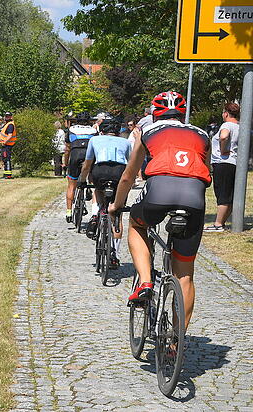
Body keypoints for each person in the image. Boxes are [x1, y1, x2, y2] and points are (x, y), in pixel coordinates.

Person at [109, 91, 211, 332]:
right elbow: (208, 173)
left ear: (155, 115)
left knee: (137, 224)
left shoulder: (148, 132)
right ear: (183, 114)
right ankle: (176, 340)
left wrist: (116, 205)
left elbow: (128, 176)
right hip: (194, 195)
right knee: (185, 274)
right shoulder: (203, 134)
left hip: (159, 189)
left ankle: (145, 283)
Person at [77, 116, 131, 267]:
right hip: (119, 172)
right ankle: (115, 254)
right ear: (118, 132)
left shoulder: (94, 140)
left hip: (100, 170)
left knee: (98, 190)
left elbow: (87, 164)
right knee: (117, 213)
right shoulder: (126, 142)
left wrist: (82, 181)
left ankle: (97, 213)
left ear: (101, 131)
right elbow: (131, 166)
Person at [205, 102, 240, 232]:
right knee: (229, 194)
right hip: (234, 163)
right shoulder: (240, 126)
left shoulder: (226, 125)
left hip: (223, 162)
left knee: (222, 194)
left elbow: (224, 136)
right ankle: (222, 222)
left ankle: (218, 224)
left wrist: (222, 149)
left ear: (226, 113)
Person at [64, 112, 97, 222]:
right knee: (93, 180)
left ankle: (69, 212)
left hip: (75, 155)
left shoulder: (71, 129)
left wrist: (66, 162)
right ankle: (95, 211)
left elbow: (67, 148)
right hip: (89, 156)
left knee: (71, 185)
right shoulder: (93, 130)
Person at [0, 112, 17, 179]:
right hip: (5, 145)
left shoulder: (10, 125)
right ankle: (6, 174)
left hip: (7, 145)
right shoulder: (7, 124)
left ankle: (8, 175)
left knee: (7, 159)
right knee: (5, 159)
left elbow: (10, 135)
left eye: (8, 116)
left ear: (11, 117)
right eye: (6, 116)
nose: (6, 117)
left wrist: (4, 142)